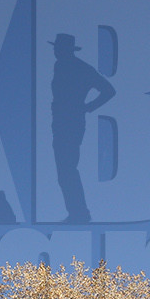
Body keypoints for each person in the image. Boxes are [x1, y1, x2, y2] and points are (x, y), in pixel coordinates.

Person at [48, 33, 115, 224]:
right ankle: (76, 212)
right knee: (64, 169)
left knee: (67, 168)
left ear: (66, 49)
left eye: (58, 48)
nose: (56, 51)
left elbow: (109, 90)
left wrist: (87, 107)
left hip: (71, 122)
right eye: (55, 47)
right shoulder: (59, 66)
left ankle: (79, 213)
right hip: (61, 121)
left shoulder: (80, 68)